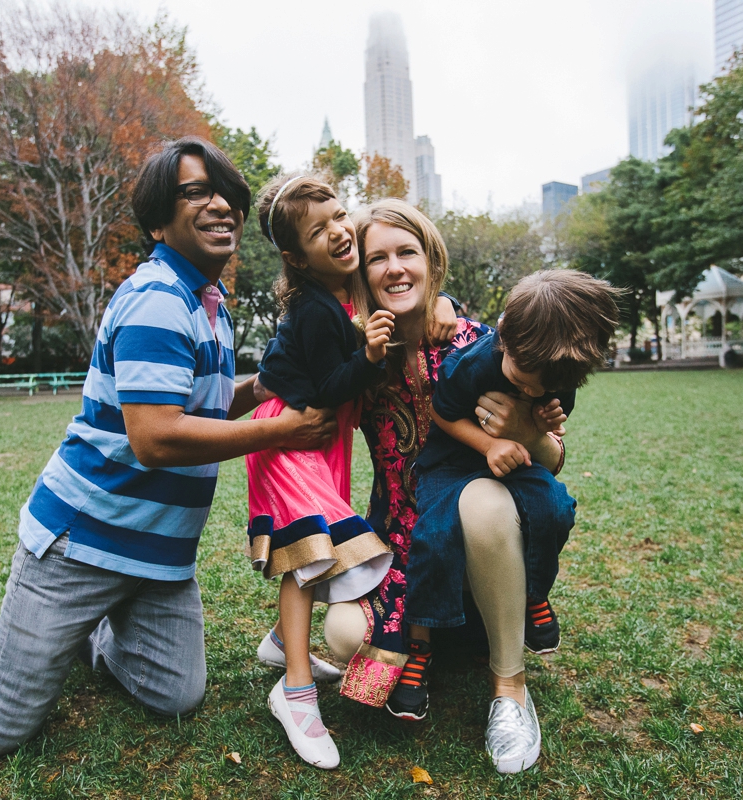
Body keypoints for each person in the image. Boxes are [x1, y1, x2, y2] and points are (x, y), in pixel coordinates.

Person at [0, 137, 336, 756]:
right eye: (195, 192)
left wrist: (262, 389)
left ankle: (82, 636)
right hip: (82, 544)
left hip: (157, 557)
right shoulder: (158, 300)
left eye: (226, 192)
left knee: (176, 693)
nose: (219, 204)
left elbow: (195, 409)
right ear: (157, 221)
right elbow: (157, 438)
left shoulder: (208, 301)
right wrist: (283, 429)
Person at [317, 199, 578, 774]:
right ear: (362, 275)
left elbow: (552, 461)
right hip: (401, 546)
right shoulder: (360, 358)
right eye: (377, 258)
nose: (394, 269)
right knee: (341, 636)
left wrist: (521, 432)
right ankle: (456, 634)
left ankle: (509, 686)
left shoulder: (484, 346)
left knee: (480, 500)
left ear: (431, 261)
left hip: (481, 534)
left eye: (407, 252)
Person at [246, 175, 459, 769]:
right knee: (309, 552)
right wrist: (368, 356)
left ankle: (279, 642)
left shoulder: (350, 289)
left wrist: (443, 302)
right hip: (293, 435)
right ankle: (295, 693)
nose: (339, 231)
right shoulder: (316, 308)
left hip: (323, 441)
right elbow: (325, 389)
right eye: (320, 231)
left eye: (340, 216)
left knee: (315, 545)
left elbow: (416, 283)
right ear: (296, 255)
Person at [391, 270, 620, 773]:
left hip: (520, 460)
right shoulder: (474, 361)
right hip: (453, 464)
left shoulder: (554, 371)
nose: (530, 386)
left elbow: (550, 439)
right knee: (433, 535)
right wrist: (490, 444)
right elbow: (442, 414)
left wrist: (536, 428)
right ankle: (420, 646)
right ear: (504, 333)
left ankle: (532, 593)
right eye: (521, 375)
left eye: (545, 385)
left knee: (555, 507)